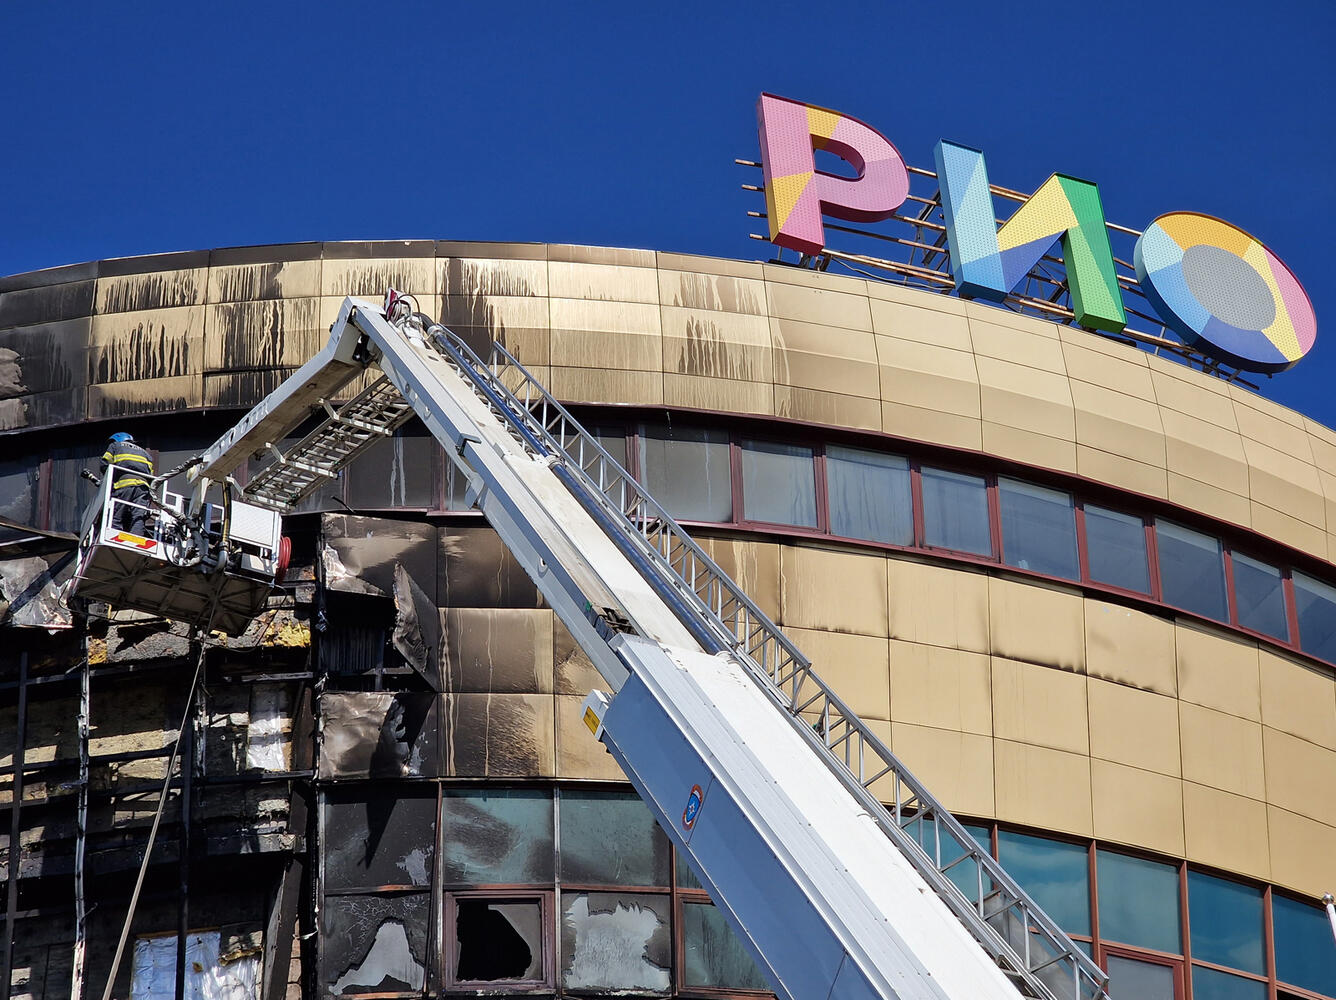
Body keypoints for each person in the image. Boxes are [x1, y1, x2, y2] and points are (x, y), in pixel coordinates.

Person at [99, 432, 155, 537]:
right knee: (138, 516)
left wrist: (109, 481)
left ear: (117, 439)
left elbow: (105, 464)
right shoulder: (146, 454)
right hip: (143, 488)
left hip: (124, 484)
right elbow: (151, 474)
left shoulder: (115, 446)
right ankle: (136, 537)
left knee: (116, 514)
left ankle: (114, 536)